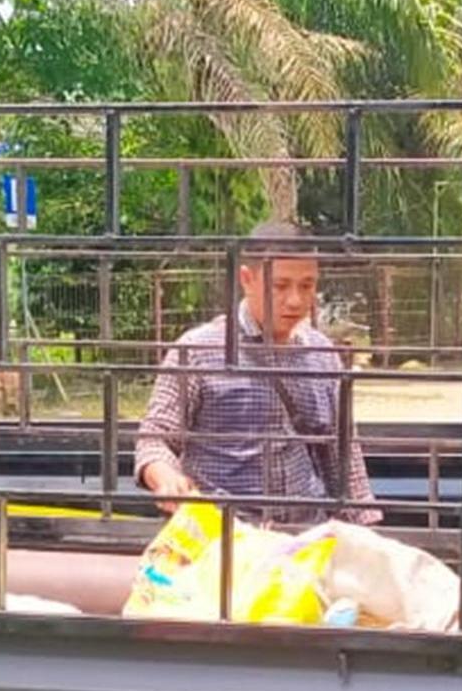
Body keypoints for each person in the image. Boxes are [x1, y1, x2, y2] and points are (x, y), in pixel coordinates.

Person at [134, 222, 378, 526]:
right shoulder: (197, 351)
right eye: (280, 286)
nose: (296, 300)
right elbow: (154, 439)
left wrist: (366, 530)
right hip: (222, 538)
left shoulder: (322, 354)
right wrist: (166, 478)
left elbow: (342, 454)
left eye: (307, 285)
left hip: (303, 538)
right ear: (247, 279)